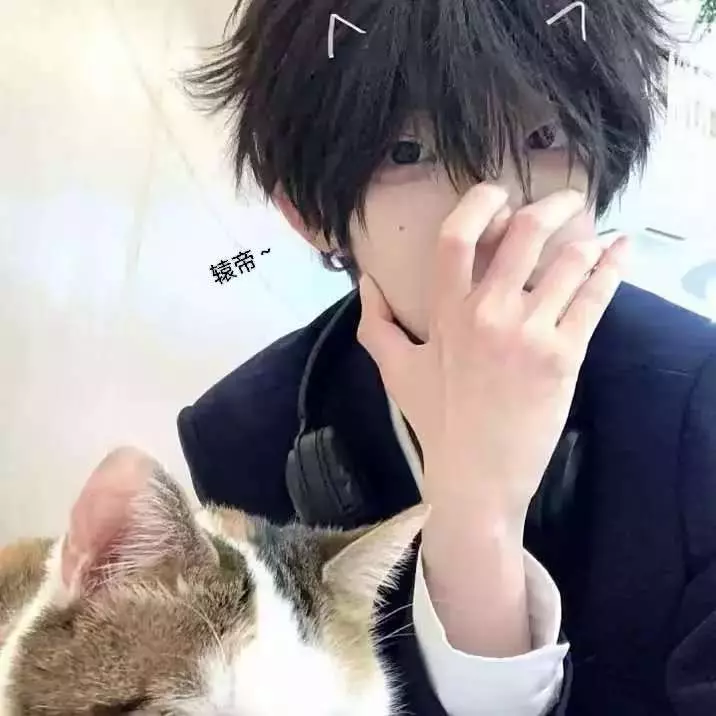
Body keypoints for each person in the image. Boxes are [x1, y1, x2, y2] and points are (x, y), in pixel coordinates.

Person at [177, 0, 716, 713]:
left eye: (544, 136)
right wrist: (472, 510)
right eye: (409, 153)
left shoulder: (701, 399)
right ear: (309, 216)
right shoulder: (246, 433)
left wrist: (479, 515)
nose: (497, 214)